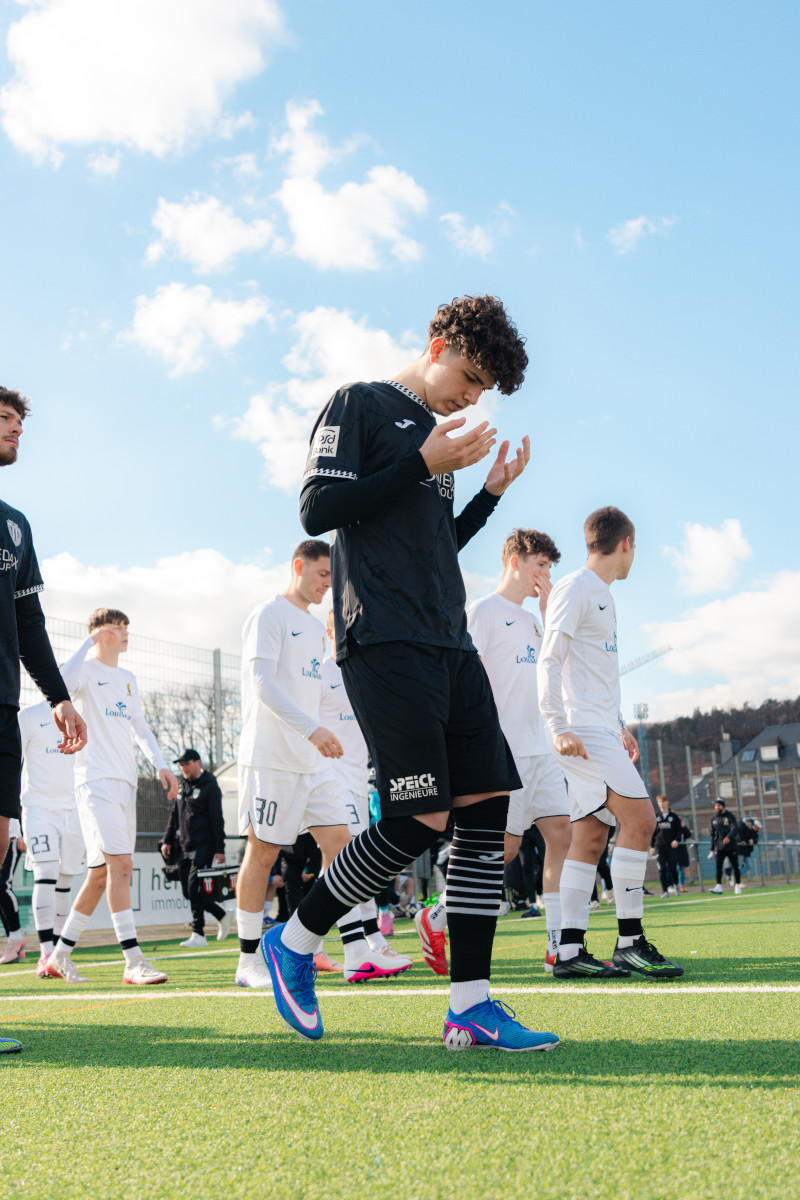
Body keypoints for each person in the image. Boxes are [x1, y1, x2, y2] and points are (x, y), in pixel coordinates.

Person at [262, 293, 560, 1052]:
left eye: (484, 388)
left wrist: (488, 494)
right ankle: (293, 941)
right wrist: (421, 461)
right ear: (436, 343)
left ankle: (471, 1005)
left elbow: (431, 543)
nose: (472, 396)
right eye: (470, 375)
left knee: (486, 807)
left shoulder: (439, 438)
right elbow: (317, 507)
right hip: (382, 639)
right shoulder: (359, 404)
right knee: (416, 822)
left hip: (448, 641)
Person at [416, 527, 571, 976]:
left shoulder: (539, 619)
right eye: (539, 564)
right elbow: (459, 678)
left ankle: (558, 945)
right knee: (501, 849)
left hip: (542, 749)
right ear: (514, 562)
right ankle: (438, 914)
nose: (545, 574)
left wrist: (547, 614)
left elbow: (552, 677)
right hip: (504, 751)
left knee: (561, 833)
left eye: (548, 567)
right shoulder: (483, 612)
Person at [538, 506, 683, 979]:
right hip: (581, 731)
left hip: (598, 728)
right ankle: (629, 942)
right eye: (635, 546)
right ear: (626, 544)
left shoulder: (601, 596)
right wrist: (559, 726)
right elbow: (550, 660)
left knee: (592, 834)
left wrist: (618, 722)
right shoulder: (577, 587)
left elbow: (591, 673)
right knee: (640, 820)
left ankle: (569, 951)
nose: (634, 554)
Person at [234, 540, 384, 990]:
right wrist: (312, 729)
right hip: (272, 758)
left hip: (313, 763)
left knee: (342, 847)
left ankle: (313, 942)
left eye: (331, 580)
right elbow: (262, 683)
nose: (327, 586)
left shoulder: (314, 626)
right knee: (262, 853)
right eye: (322, 576)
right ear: (298, 566)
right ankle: (247, 962)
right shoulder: (269, 614)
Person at [0, 386, 87, 1054]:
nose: (15, 433)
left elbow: (28, 622)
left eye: (20, 425)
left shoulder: (16, 525)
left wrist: (57, 695)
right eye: (5, 421)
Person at [46, 610, 178, 984]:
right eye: (116, 628)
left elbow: (141, 726)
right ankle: (134, 961)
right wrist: (88, 641)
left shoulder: (128, 679)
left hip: (125, 783)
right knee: (121, 867)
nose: (124, 634)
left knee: (102, 875)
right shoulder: (86, 668)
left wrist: (162, 764)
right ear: (101, 633)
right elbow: (61, 684)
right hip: (95, 781)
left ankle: (59, 956)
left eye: (125, 628)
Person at [319, 610, 412, 980]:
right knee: (347, 864)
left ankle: (361, 942)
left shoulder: (360, 672)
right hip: (332, 782)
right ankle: (360, 948)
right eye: (342, 628)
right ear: (329, 631)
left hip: (359, 783)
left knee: (350, 867)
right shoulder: (322, 674)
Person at [18, 698, 85, 976]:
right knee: (46, 872)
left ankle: (59, 953)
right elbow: (12, 761)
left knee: (65, 880)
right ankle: (45, 951)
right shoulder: (28, 717)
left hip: (74, 809)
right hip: (39, 808)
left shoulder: (81, 717)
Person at [162, 749, 232, 948]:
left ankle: (198, 933)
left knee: (194, 887)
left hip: (205, 846)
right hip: (184, 847)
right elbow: (174, 815)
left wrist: (220, 848)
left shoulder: (210, 786)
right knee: (188, 892)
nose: (184, 767)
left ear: (198, 763)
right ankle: (221, 914)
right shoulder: (181, 786)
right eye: (181, 764)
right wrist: (167, 839)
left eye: (187, 763)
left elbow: (217, 819)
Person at [0, 820, 25, 963]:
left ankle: (16, 938)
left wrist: (20, 834)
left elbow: (14, 803)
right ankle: (14, 944)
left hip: (11, 835)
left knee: (3, 885)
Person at [650, 794, 682, 898]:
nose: (662, 804)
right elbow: (653, 833)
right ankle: (665, 891)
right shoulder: (656, 816)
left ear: (667, 802)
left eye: (663, 801)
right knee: (662, 869)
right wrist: (652, 846)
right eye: (659, 802)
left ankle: (676, 885)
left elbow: (679, 831)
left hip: (671, 847)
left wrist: (676, 840)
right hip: (660, 847)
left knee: (672, 868)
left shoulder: (674, 817)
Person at [708, 800, 742, 895]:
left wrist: (729, 837)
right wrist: (712, 848)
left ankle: (737, 885)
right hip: (719, 847)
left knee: (735, 866)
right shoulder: (713, 818)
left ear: (723, 806)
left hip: (731, 847)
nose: (717, 807)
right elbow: (712, 834)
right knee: (718, 867)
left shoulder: (730, 816)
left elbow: (734, 828)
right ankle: (718, 886)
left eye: (719, 805)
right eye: (715, 805)